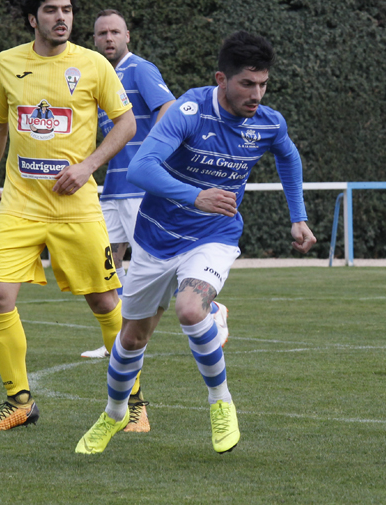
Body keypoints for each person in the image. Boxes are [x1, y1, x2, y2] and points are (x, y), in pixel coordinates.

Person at [75, 31, 316, 455]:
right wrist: (195, 196)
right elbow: (142, 168)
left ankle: (220, 403)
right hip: (155, 237)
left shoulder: (268, 122)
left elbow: (289, 156)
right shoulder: (190, 109)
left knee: (189, 309)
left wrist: (298, 217)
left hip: (214, 236)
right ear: (221, 78)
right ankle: (114, 414)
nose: (256, 94)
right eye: (247, 84)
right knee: (131, 339)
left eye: (263, 84)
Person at [0, 0, 137, 432]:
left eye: (66, 9)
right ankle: (20, 403)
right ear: (33, 18)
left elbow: (125, 124)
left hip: (77, 207)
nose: (61, 17)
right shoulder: (7, 64)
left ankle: (136, 404)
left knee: (105, 300)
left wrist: (88, 166)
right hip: (21, 206)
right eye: (51, 10)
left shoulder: (92, 65)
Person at [81, 10, 230, 369]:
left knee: (157, 259)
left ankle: (212, 308)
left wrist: (156, 157)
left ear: (128, 35)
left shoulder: (140, 69)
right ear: (94, 39)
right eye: (102, 34)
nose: (109, 39)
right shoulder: (101, 76)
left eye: (115, 32)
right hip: (113, 188)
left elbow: (169, 107)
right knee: (103, 265)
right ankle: (116, 338)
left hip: (139, 189)